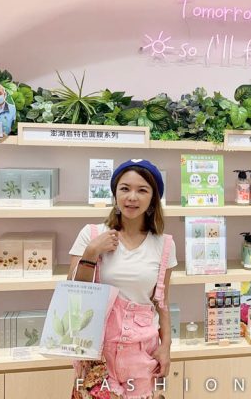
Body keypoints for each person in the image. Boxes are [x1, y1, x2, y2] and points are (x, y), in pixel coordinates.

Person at [68, 159, 177, 399]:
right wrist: (91, 252)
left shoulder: (164, 244)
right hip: (97, 352)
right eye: (125, 188)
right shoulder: (92, 234)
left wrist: (166, 346)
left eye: (142, 190)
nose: (132, 197)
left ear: (153, 198)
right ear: (115, 193)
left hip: (143, 353)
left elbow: (162, 302)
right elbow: (74, 291)